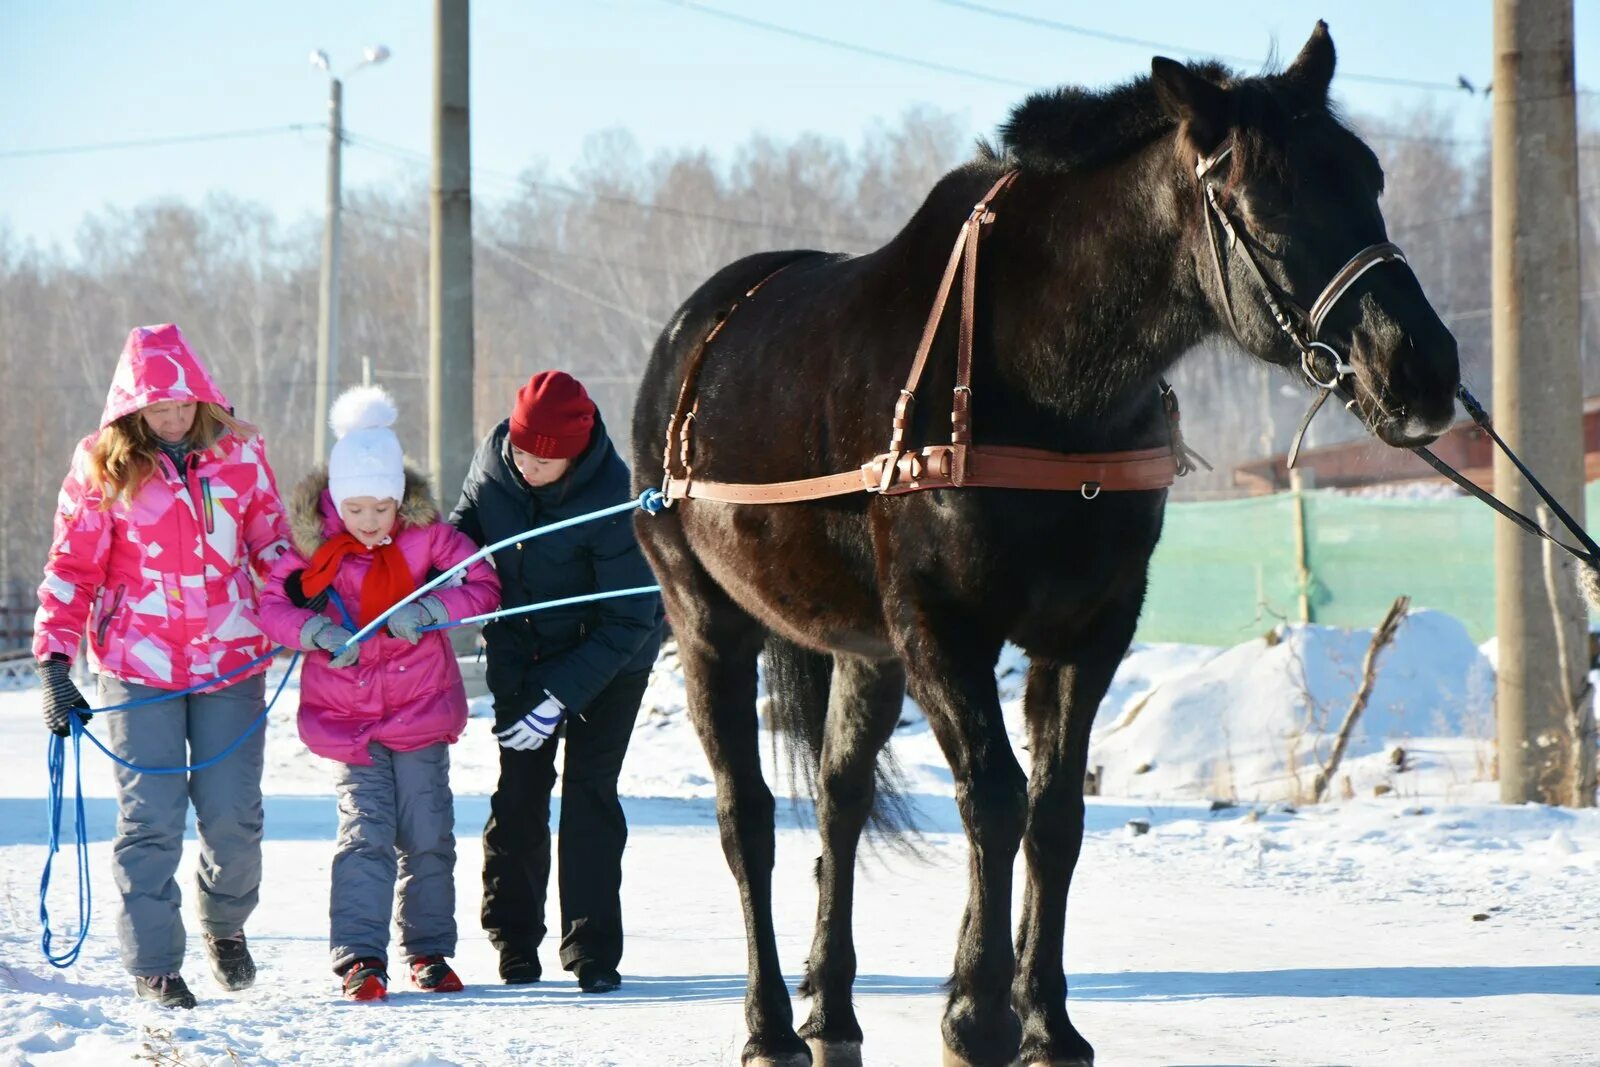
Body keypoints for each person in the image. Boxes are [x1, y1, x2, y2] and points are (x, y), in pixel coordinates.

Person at [33, 324, 290, 1009]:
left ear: (200, 397)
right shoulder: (101, 466)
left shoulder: (241, 455)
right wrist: (55, 661)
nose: (173, 419)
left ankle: (224, 923)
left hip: (230, 659)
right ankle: (154, 964)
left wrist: (303, 592)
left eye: (182, 405)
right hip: (137, 663)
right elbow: (72, 566)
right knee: (150, 817)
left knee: (233, 817)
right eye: (158, 408)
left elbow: (272, 542)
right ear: (132, 409)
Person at [258, 385, 499, 1001]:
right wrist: (311, 628)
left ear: (401, 501)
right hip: (350, 722)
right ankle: (360, 958)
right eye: (356, 508)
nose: (369, 522)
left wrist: (431, 607)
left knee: (428, 835)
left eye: (382, 508)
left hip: (420, 712)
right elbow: (270, 605)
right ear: (337, 501)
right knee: (364, 836)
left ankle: (428, 950)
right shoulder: (309, 551)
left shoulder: (431, 541)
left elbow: (483, 583)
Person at [450, 370, 662, 993]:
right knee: (519, 792)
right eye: (520, 451)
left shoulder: (612, 497)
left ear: (573, 453)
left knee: (590, 793)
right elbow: (463, 531)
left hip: (612, 659)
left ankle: (592, 949)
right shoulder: (493, 465)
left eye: (543, 460)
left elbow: (631, 616)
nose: (527, 466)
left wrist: (561, 698)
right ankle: (515, 940)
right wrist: (430, 574)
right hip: (523, 652)